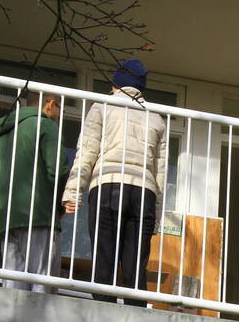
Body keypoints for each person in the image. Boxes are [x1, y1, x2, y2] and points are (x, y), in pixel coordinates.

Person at [62, 59, 167, 305]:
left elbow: (86, 152)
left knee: (104, 259)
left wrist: (72, 191)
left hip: (108, 184)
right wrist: (158, 214)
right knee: (135, 265)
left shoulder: (103, 107)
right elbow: (160, 170)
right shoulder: (157, 118)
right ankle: (136, 316)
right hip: (144, 192)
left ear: (116, 84)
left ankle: (102, 315)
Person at [0, 91, 70, 293]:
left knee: (13, 288)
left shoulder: (1, 132)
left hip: (6, 218)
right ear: (51, 104)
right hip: (39, 215)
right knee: (42, 286)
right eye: (60, 109)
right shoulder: (47, 126)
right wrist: (60, 206)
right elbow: (58, 171)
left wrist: (3, 207)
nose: (59, 115)